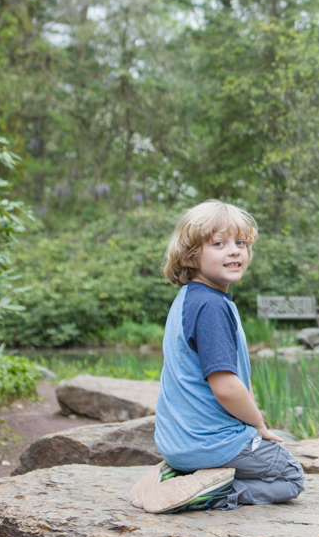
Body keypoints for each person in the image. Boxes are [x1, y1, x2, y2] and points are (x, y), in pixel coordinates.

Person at [130, 200, 304, 514]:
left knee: (266, 456)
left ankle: (175, 475)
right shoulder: (212, 307)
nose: (234, 251)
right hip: (209, 444)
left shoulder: (189, 298)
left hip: (177, 445)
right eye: (219, 244)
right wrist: (259, 426)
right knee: (290, 476)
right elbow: (225, 387)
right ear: (191, 256)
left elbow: (236, 379)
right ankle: (208, 493)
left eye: (241, 243)